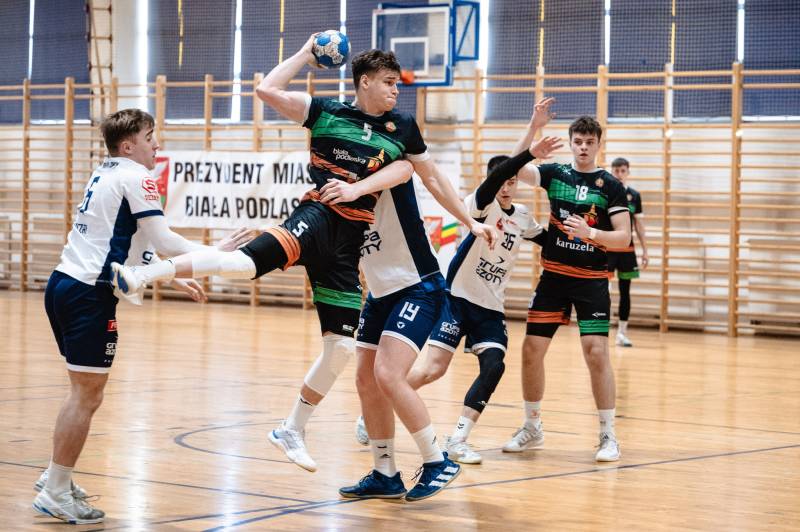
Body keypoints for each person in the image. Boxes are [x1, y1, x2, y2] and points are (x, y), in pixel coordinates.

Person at [111, 37, 495, 473]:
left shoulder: (402, 127)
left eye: (396, 83)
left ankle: (291, 428)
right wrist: (306, 53)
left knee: (340, 347)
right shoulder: (326, 111)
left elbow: (426, 175)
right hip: (317, 219)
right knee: (243, 264)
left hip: (348, 247)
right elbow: (267, 90)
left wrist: (469, 221)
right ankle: (141, 275)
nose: (395, 90)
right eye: (388, 82)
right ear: (364, 82)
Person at [33, 109, 250, 525]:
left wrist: (171, 276)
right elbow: (164, 240)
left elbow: (124, 240)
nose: (157, 145)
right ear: (129, 145)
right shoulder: (137, 176)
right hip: (89, 294)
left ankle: (55, 476)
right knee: (87, 395)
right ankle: (55, 490)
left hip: (64, 284)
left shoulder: (106, 171)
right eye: (150, 137)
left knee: (80, 392)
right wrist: (216, 253)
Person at [337, 126, 505, 500]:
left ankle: (437, 461)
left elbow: (410, 170)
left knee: (388, 373)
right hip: (378, 293)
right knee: (366, 380)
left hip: (417, 285)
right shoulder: (335, 188)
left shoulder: (387, 165)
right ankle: (385, 473)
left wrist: (470, 223)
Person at [502, 110, 631, 462]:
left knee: (596, 353)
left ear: (598, 144)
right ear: (571, 144)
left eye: (589, 142)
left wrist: (591, 233)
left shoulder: (611, 186)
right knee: (531, 350)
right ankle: (532, 427)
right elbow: (512, 168)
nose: (583, 147)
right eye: (578, 142)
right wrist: (533, 128)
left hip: (591, 282)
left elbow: (623, 238)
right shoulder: (555, 173)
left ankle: (608, 435)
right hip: (554, 278)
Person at [607, 157, 648, 347]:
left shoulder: (634, 196)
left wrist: (645, 250)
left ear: (628, 172)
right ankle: (601, 331)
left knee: (625, 292)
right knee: (602, 291)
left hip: (626, 250)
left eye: (623, 170)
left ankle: (622, 334)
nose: (619, 174)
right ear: (611, 171)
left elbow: (639, 225)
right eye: (616, 170)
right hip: (607, 248)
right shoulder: (604, 192)